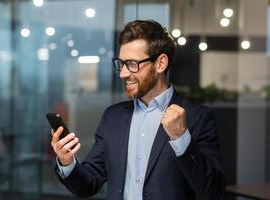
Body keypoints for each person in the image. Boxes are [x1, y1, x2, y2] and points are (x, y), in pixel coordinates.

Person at [51, 19, 226, 200]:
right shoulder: (113, 117)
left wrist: (181, 139)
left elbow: (213, 192)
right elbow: (89, 184)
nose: (123, 73)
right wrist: (67, 161)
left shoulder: (198, 118)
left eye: (132, 64)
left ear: (160, 63)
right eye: (121, 64)